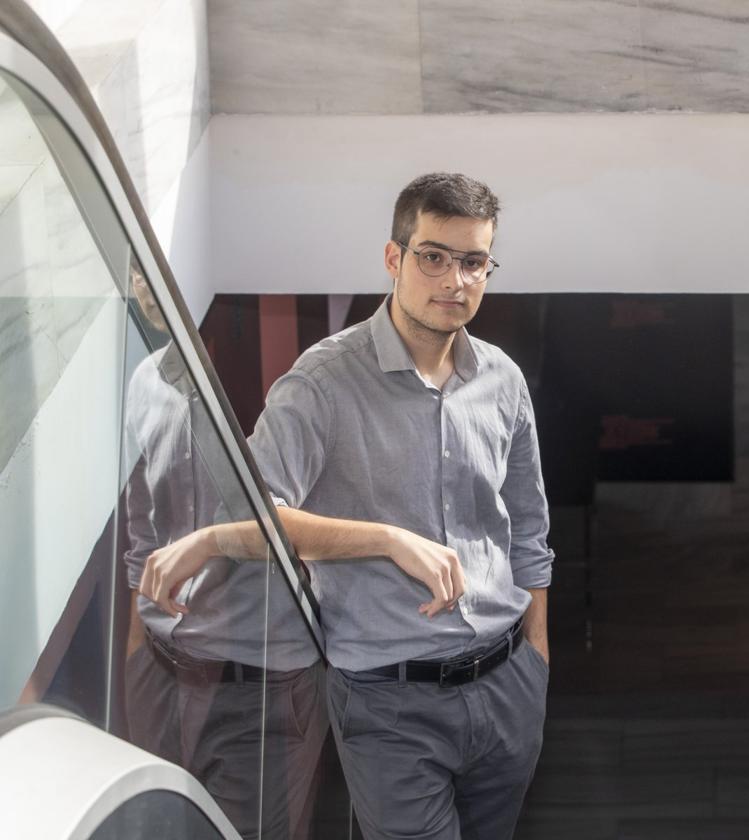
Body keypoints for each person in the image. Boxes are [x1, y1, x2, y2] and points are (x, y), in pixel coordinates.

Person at [140, 172, 554, 840]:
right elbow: (252, 516)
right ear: (394, 259)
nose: (454, 280)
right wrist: (386, 539)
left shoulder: (501, 379)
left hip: (507, 690)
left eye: (473, 261)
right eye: (434, 256)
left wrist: (536, 658)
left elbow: (528, 527)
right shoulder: (322, 382)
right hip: (389, 703)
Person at [122, 263, 326, 839]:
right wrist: (139, 654)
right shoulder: (145, 379)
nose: (147, 287)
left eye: (159, 270)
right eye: (139, 272)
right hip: (165, 674)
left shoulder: (281, 380)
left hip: (261, 685)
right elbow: (144, 525)